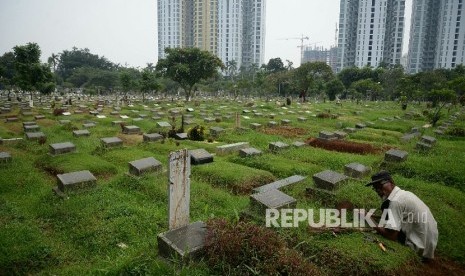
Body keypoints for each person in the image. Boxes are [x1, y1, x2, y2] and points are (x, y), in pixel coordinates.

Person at [366, 171, 438, 261]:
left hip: (418, 248)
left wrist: (368, 219)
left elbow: (391, 236)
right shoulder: (404, 194)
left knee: (388, 230)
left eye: (381, 185)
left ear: (391, 182)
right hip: (429, 244)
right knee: (387, 221)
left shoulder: (395, 202)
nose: (379, 190)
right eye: (376, 188)